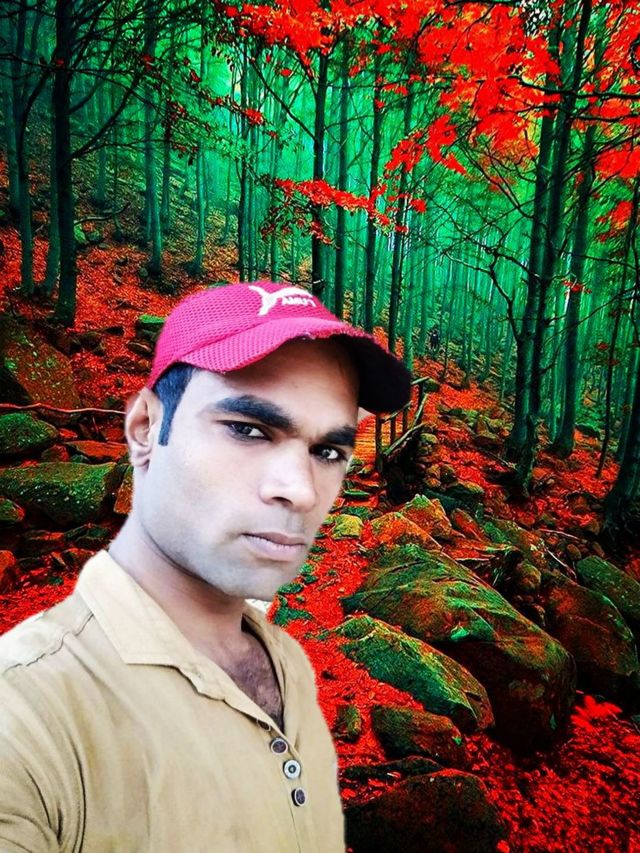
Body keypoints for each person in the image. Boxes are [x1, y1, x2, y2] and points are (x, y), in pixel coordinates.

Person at [0, 281, 412, 852]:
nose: (300, 490)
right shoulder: (26, 715)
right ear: (146, 429)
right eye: (248, 429)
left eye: (327, 452)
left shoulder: (286, 664)